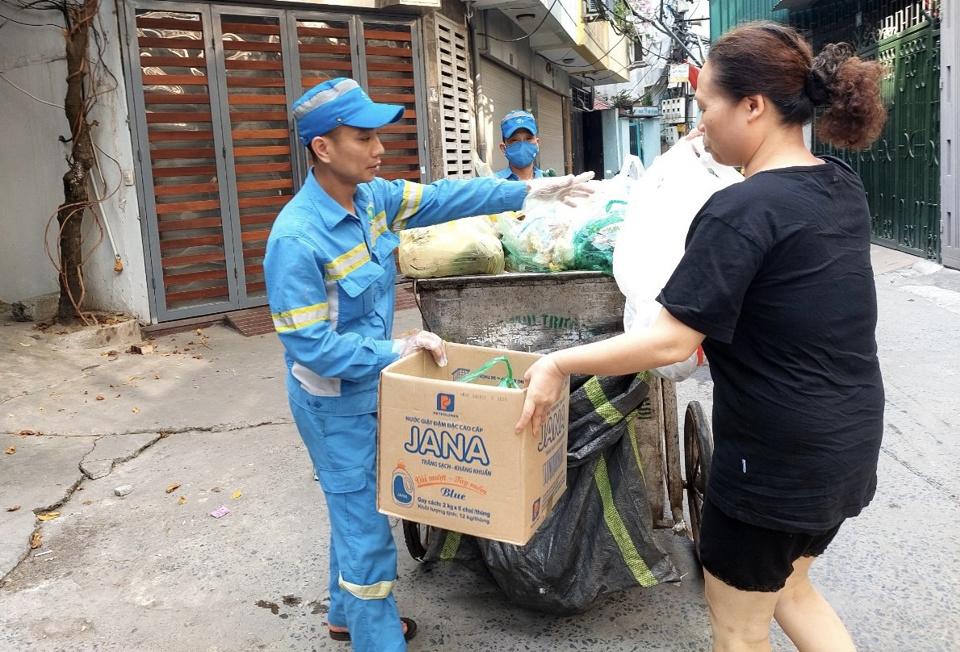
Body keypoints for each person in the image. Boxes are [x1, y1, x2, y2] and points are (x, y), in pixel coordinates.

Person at [517, 22, 887, 652]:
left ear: (753, 105)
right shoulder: (838, 185)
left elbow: (668, 343)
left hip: (777, 460)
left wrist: (558, 362)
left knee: (738, 626)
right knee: (792, 591)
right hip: (848, 443)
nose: (699, 124)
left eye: (708, 105)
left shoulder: (743, 209)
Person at [263, 78, 591, 652]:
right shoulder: (295, 238)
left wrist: (533, 192)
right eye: (363, 137)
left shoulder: (374, 200)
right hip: (331, 401)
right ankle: (376, 639)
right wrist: (396, 349)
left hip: (377, 388)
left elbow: (443, 197)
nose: (379, 149)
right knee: (365, 525)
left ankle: (344, 615)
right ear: (322, 148)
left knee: (359, 505)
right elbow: (310, 345)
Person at [495, 109, 543, 181]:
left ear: (537, 144)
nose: (522, 146)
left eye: (528, 138)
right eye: (514, 140)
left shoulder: (548, 180)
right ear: (503, 148)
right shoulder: (495, 184)